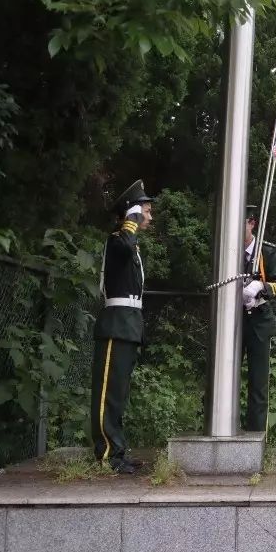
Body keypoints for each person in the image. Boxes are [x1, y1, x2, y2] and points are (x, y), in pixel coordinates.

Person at [91, 179, 153, 474]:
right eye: (145, 211)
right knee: (108, 392)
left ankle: (117, 451)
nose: (149, 217)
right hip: (116, 325)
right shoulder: (117, 241)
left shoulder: (131, 246)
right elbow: (125, 245)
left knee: (119, 392)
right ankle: (106, 453)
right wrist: (131, 217)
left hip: (128, 325)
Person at [240, 205, 276, 432]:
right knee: (223, 378)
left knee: (258, 382)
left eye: (242, 222)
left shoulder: (267, 251)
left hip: (259, 319)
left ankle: (256, 436)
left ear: (251, 223)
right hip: (233, 321)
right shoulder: (227, 249)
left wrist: (262, 286)